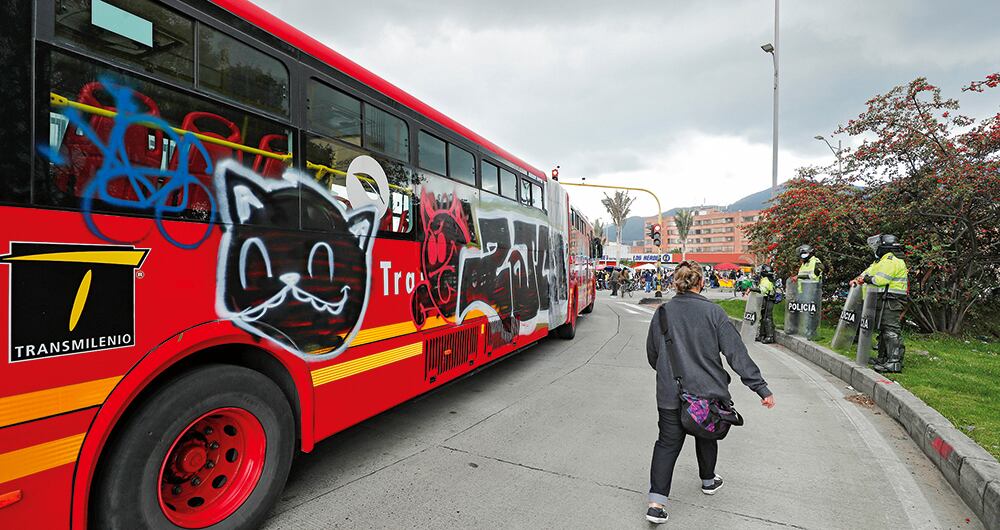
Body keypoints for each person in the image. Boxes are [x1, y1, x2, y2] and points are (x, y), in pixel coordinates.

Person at [644, 261, 775, 524]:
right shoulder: (714, 313)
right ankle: (708, 480)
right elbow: (736, 353)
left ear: (676, 283)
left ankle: (656, 504)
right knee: (706, 433)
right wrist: (761, 388)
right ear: (701, 282)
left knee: (667, 443)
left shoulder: (663, 313)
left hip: (670, 392)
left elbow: (653, 354)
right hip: (707, 392)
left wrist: (670, 373)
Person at [850, 234, 909, 373]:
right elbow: (867, 273)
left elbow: (879, 280)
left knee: (890, 330)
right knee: (884, 329)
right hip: (884, 298)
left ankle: (894, 361)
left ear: (884, 247)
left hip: (892, 299)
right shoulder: (880, 261)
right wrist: (858, 278)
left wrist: (865, 279)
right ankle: (883, 358)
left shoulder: (891, 260)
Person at [750, 264, 776, 344]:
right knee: (763, 318)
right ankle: (762, 335)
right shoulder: (768, 279)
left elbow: (762, 290)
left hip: (768, 300)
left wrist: (752, 289)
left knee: (767, 318)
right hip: (766, 299)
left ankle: (769, 336)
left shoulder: (765, 280)